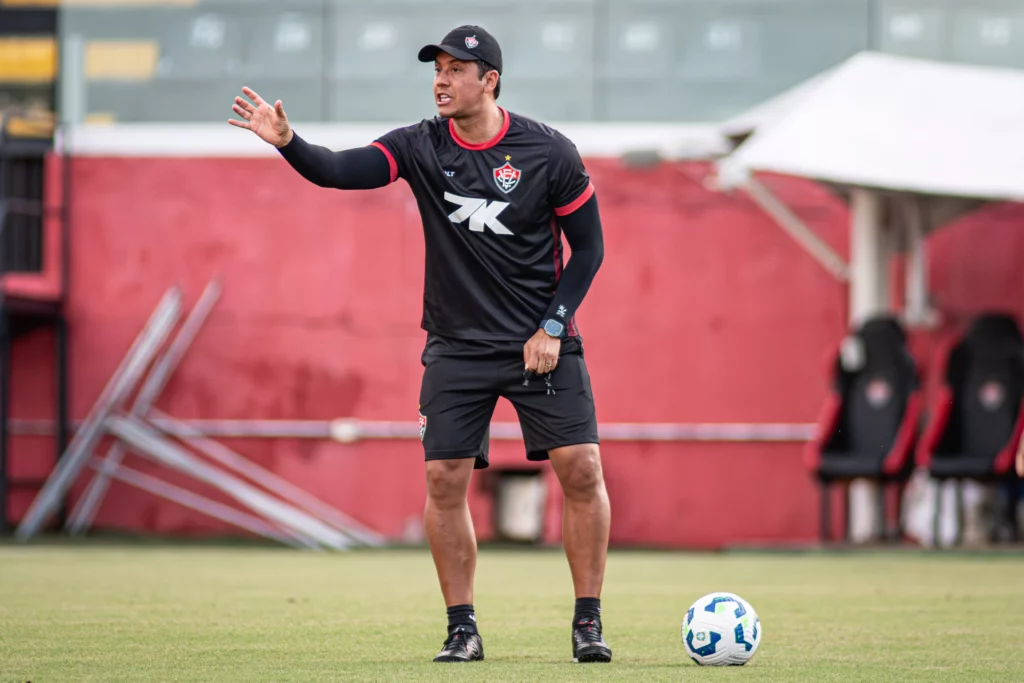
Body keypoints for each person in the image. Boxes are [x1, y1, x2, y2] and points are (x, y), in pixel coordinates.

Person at [229, 25, 611, 664]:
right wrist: (289, 143)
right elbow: (339, 171)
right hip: (457, 347)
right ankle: (462, 629)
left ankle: (588, 623)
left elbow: (590, 250)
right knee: (442, 479)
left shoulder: (549, 152)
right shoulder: (420, 145)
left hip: (539, 343)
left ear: (490, 80)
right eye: (437, 69)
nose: (441, 80)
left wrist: (552, 327)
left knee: (583, 468)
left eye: (456, 70)